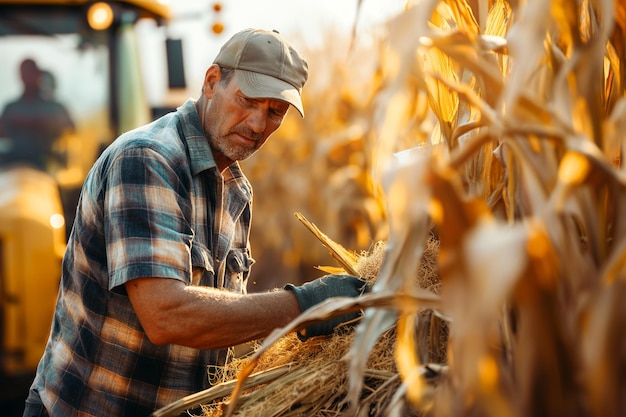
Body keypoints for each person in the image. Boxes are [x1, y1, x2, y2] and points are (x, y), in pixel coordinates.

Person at [22, 28, 367, 417]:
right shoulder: (147, 158)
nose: (257, 124)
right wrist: (306, 306)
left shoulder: (237, 190)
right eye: (248, 100)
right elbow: (165, 315)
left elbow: (219, 324)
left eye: (275, 112)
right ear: (211, 81)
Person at [0, 58, 74, 170]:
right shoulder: (11, 108)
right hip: (12, 166)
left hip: (45, 164)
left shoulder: (54, 107)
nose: (29, 77)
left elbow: (70, 129)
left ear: (39, 74)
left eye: (32, 72)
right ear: (20, 76)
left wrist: (40, 124)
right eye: (26, 72)